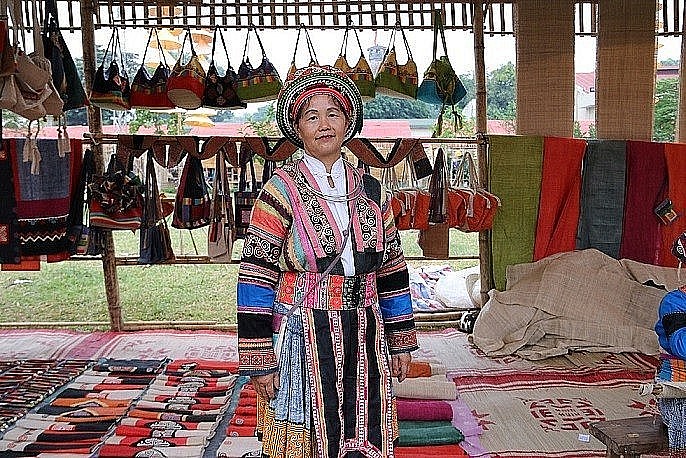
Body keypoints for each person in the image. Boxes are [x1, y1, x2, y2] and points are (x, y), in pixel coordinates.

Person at [237, 64, 419, 458]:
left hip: (365, 327)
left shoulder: (372, 190)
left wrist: (400, 340)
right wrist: (259, 356)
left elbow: (392, 268)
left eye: (333, 113)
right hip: (303, 331)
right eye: (312, 115)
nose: (324, 124)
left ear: (348, 122)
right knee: (308, 440)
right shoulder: (280, 189)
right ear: (298, 128)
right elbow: (255, 274)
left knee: (364, 431)